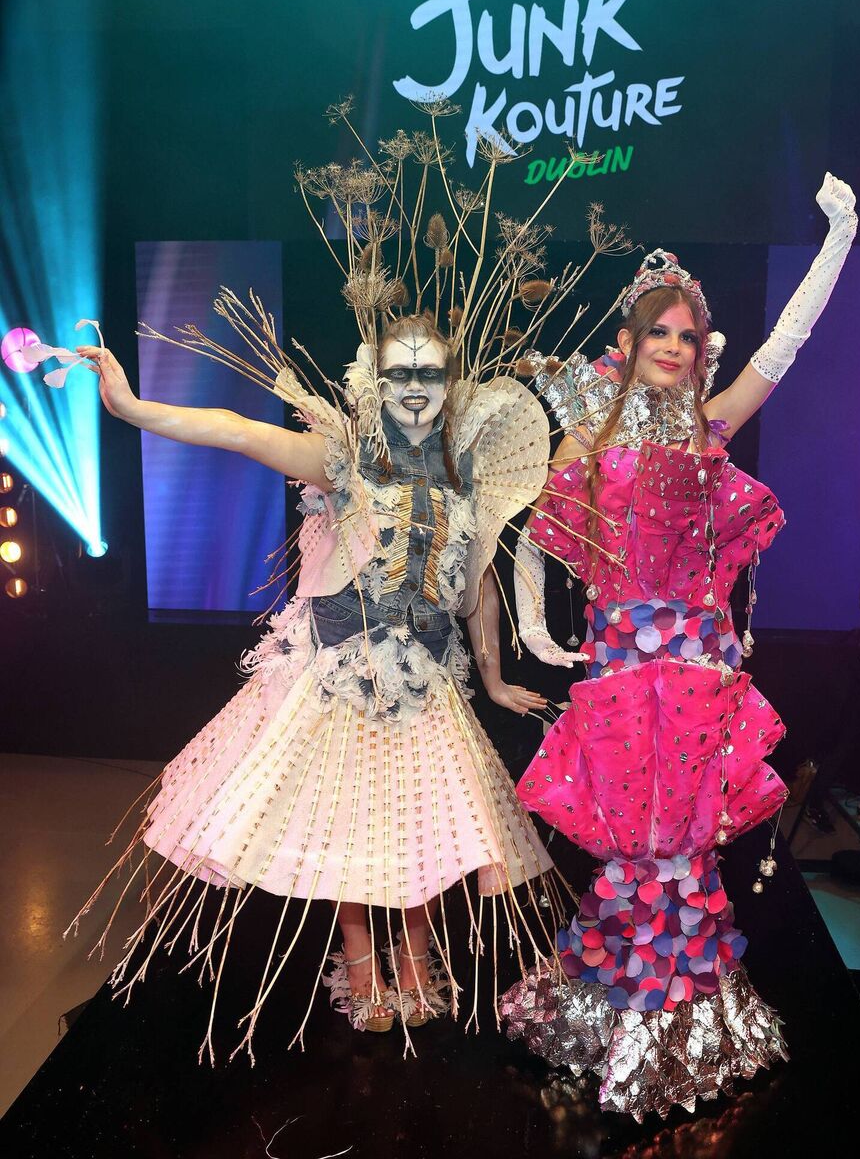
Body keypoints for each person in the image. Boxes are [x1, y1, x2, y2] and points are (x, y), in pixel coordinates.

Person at [69, 309, 564, 1057]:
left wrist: (492, 681)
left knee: (430, 826)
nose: (416, 388)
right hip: (342, 675)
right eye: (401, 372)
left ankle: (417, 957)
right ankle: (362, 960)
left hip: (428, 681)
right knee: (351, 822)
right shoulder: (344, 458)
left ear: (451, 382)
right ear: (377, 381)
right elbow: (239, 430)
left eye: (430, 373)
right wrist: (134, 408)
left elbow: (477, 591)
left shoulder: (466, 483)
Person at [500, 174, 858, 1121]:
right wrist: (534, 628)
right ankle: (623, 1000)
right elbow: (537, 532)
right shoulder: (589, 433)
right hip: (621, 663)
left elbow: (787, 345)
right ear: (625, 345)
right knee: (633, 838)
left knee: (687, 840)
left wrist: (839, 236)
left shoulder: (711, 427)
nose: (672, 346)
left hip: (699, 663)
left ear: (702, 350)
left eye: (687, 335)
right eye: (657, 331)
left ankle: (681, 1007)